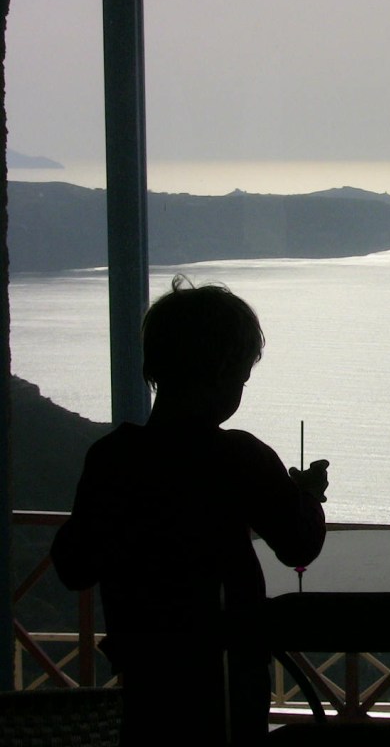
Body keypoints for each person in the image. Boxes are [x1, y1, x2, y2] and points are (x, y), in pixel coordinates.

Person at [51, 276, 329, 746]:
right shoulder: (239, 457)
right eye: (241, 377)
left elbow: (73, 566)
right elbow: (299, 545)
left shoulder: (112, 459)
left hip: (147, 676)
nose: (240, 388)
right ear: (221, 373)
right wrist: (308, 496)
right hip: (227, 676)